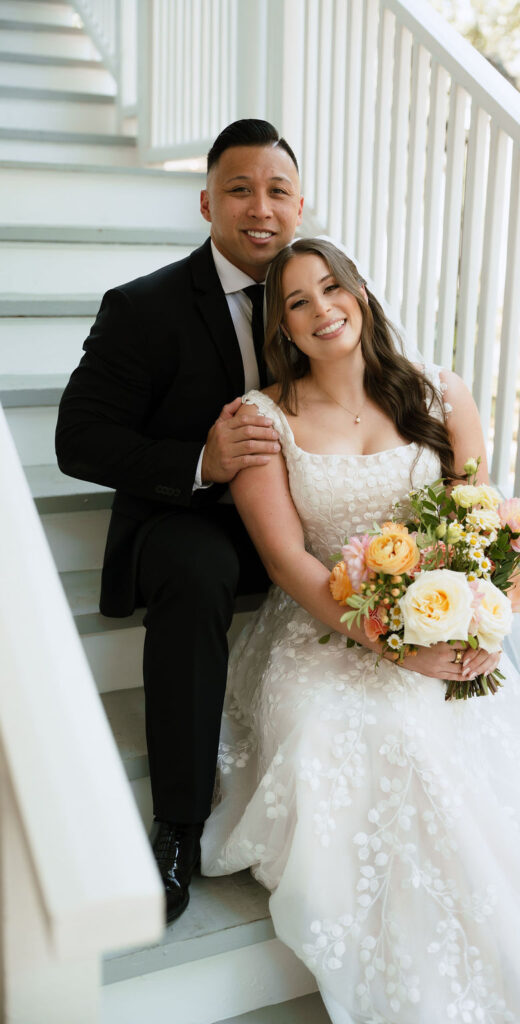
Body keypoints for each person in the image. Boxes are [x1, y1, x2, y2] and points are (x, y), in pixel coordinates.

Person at [200, 238, 520, 1023]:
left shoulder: (436, 393)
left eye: (332, 288)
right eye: (297, 301)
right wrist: (396, 645)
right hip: (323, 629)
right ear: (281, 326)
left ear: (358, 291)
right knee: (365, 730)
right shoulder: (265, 418)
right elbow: (288, 561)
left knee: (448, 730)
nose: (322, 309)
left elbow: (478, 524)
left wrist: (485, 613)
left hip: (443, 618)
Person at [55, 119, 303, 923]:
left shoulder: (325, 293)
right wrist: (200, 460)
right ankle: (177, 825)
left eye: (276, 191)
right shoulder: (144, 307)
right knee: (196, 579)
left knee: (398, 546)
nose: (258, 208)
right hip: (191, 513)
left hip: (300, 509)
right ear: (206, 202)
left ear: (299, 207)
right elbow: (78, 439)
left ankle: (491, 763)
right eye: (239, 189)